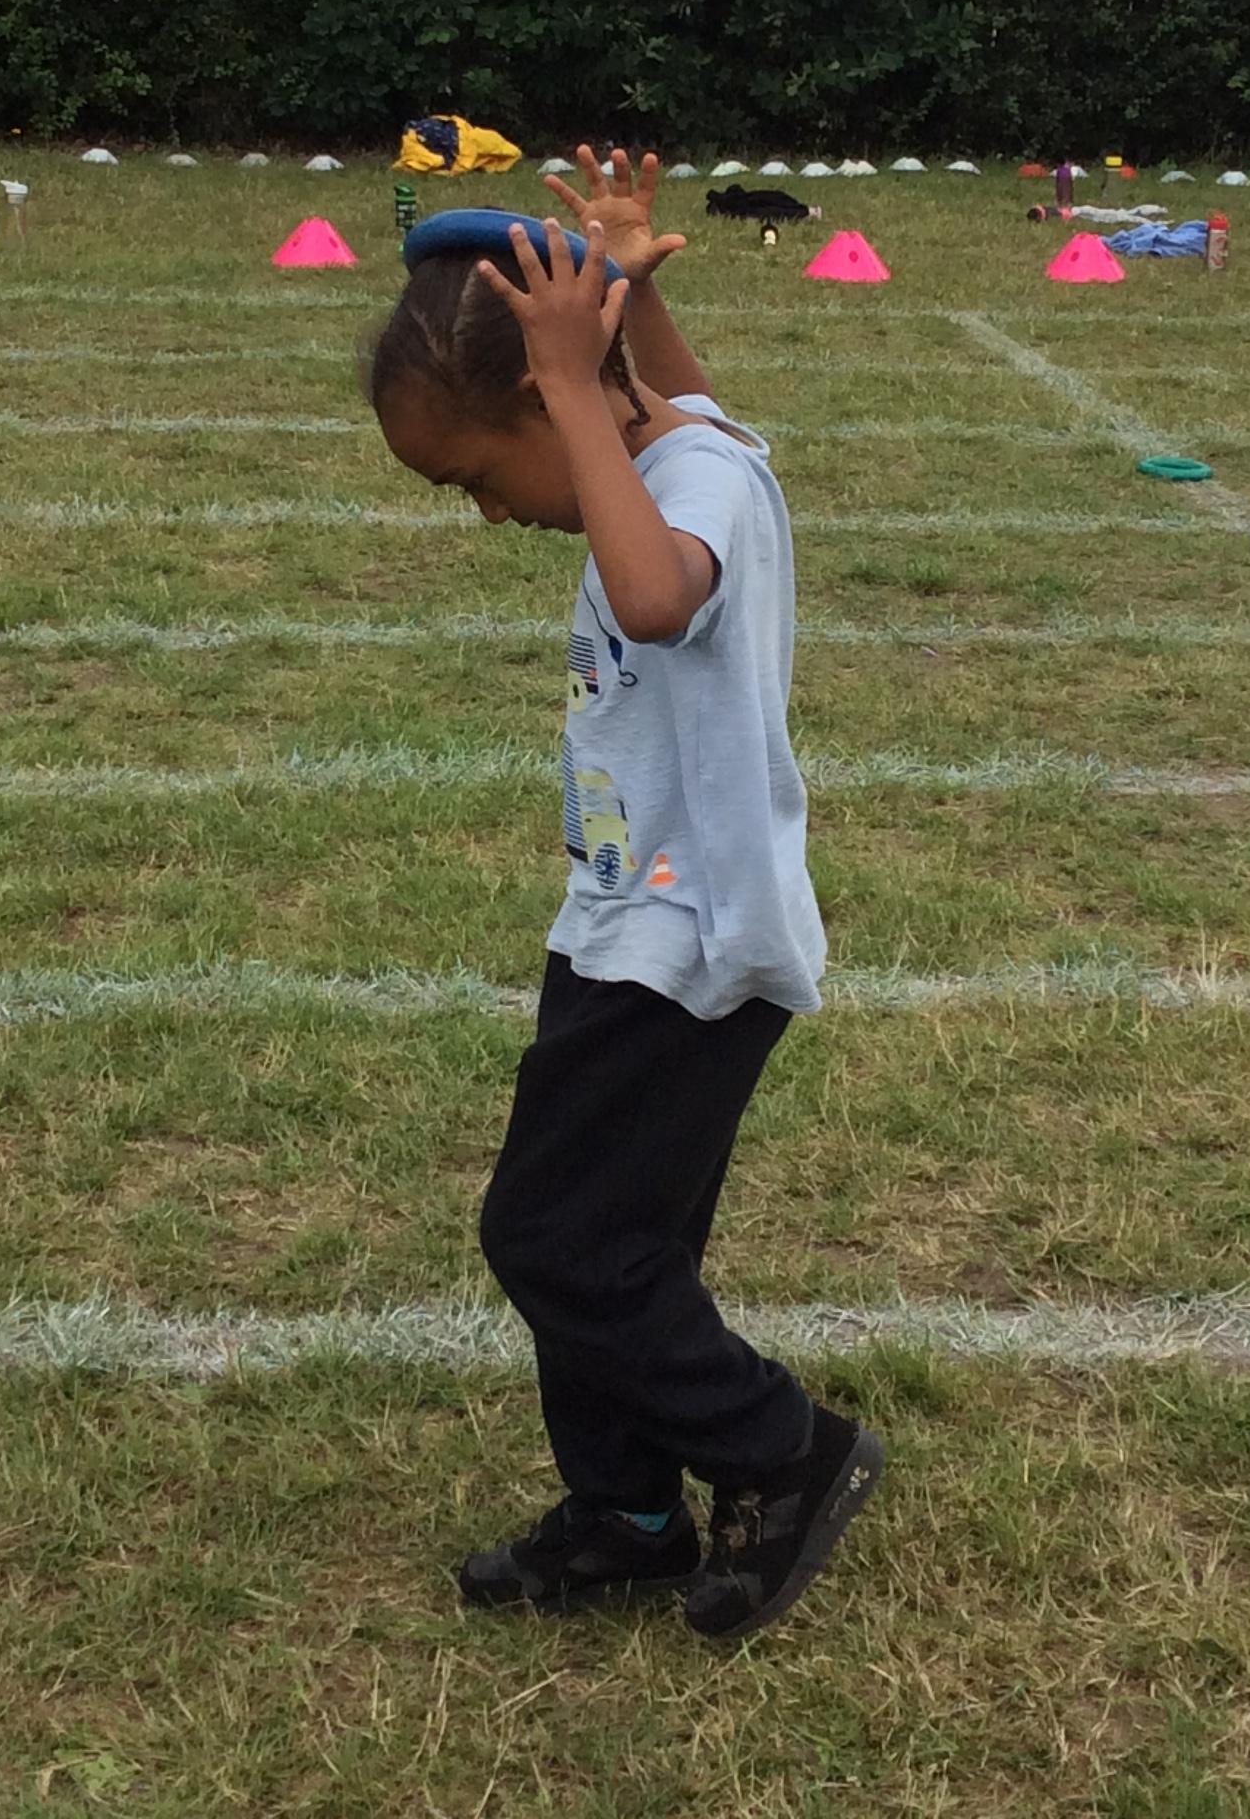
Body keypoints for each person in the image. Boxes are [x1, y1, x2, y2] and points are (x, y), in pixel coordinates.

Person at [363, 145, 882, 1641]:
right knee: (610, 1247)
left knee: (553, 1241)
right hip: (621, 918)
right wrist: (626, 291)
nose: (483, 514)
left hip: (691, 944)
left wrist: (578, 383)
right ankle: (629, 1511)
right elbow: (684, 402)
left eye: (476, 478)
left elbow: (655, 598)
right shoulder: (678, 441)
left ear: (554, 404)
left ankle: (786, 1451)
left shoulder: (687, 486)